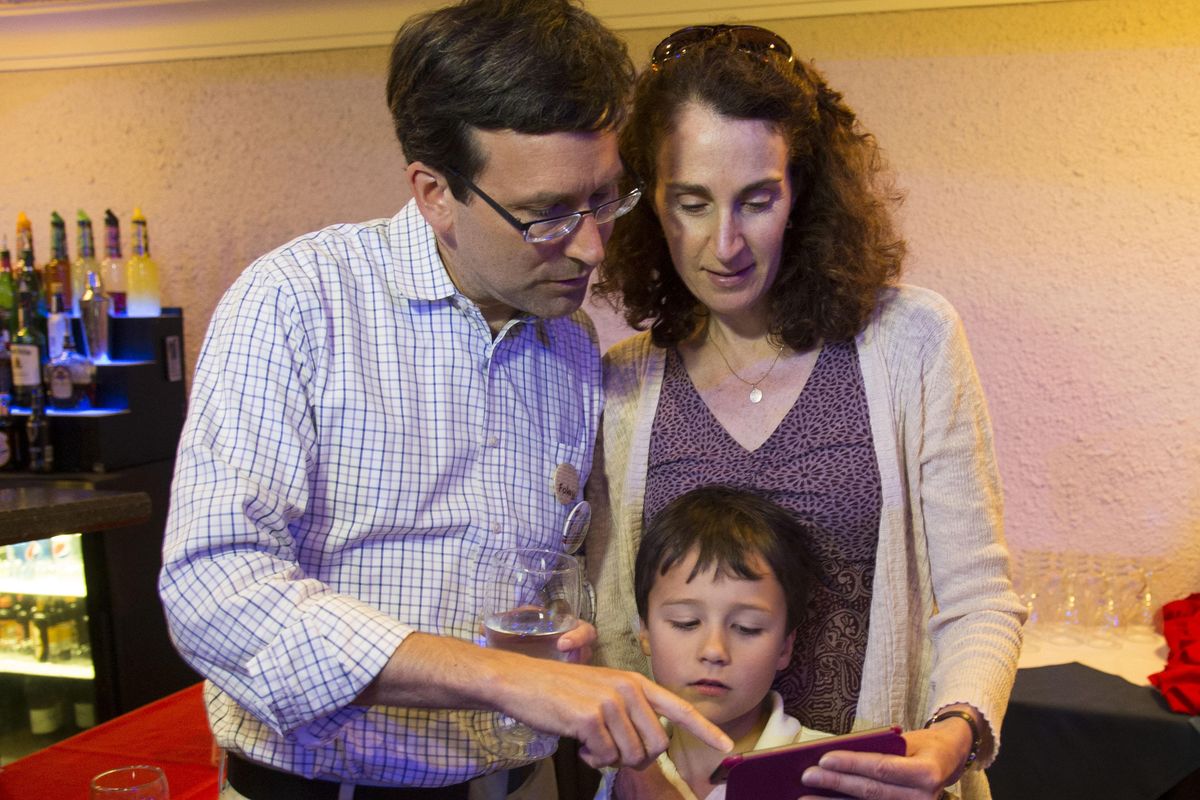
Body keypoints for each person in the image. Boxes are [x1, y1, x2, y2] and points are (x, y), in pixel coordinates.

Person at [158, 3, 731, 799]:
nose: (592, 247)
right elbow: (214, 589)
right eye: (546, 215)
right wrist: (498, 679)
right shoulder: (299, 302)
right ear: (433, 192)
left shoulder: (569, 345)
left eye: (605, 199)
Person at [585, 24, 1026, 800]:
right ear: (649, 205)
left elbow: (980, 595)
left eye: (757, 200)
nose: (725, 244)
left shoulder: (911, 342)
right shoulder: (624, 384)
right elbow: (615, 634)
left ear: (803, 194)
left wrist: (953, 738)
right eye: (691, 203)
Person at [594, 485, 831, 800]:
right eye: (686, 622)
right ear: (645, 633)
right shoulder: (624, 772)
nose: (714, 651)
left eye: (747, 628)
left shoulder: (826, 772)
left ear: (785, 646)